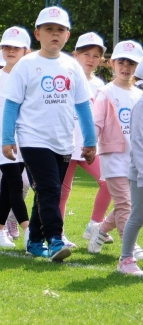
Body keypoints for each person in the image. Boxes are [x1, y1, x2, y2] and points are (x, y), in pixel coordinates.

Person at [1, 6, 98, 263]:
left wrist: (89, 141)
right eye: (49, 29)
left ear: (67, 35)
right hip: (33, 139)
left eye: (60, 30)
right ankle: (55, 239)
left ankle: (34, 240)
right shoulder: (26, 64)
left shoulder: (72, 66)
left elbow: (83, 106)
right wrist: (7, 138)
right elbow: (11, 104)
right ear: (37, 34)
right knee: (50, 189)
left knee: (45, 192)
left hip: (64, 141)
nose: (54, 34)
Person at [87, 41, 143, 255]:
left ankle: (100, 230)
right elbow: (96, 122)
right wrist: (90, 144)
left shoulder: (139, 93)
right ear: (112, 63)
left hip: (136, 158)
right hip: (113, 156)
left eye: (132, 62)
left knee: (127, 204)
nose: (126, 66)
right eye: (121, 61)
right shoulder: (106, 92)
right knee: (125, 204)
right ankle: (130, 247)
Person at [0, 27, 32, 249]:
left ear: (25, 51)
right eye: (7, 46)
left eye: (16, 47)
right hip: (0, 140)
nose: (11, 50)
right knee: (14, 183)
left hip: (24, 142)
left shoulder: (30, 77)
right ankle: (28, 230)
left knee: (10, 187)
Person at [64, 32, 114, 246]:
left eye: (96, 55)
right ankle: (58, 234)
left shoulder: (100, 85)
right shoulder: (65, 78)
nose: (91, 59)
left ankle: (94, 226)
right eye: (86, 54)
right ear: (75, 55)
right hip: (65, 145)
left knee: (109, 181)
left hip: (89, 147)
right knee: (62, 192)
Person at [115, 86, 143, 275]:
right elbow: (138, 142)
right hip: (140, 171)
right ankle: (125, 259)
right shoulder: (140, 106)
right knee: (138, 216)